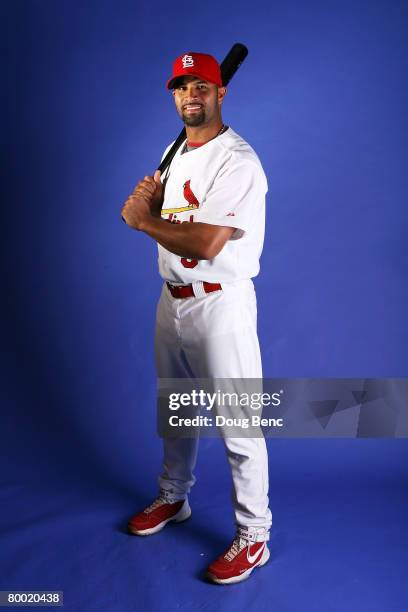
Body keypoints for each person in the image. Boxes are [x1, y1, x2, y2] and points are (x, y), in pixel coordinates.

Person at [121, 51, 272, 585]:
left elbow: (208, 241)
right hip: (172, 300)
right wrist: (154, 204)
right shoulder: (177, 150)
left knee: (239, 424)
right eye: (182, 87)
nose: (192, 96)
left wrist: (144, 221)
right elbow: (172, 216)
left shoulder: (239, 161)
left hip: (221, 301)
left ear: (220, 92)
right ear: (173, 95)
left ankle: (255, 535)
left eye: (202, 86)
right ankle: (174, 496)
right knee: (177, 409)